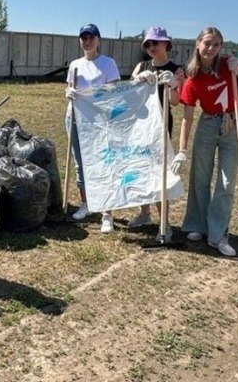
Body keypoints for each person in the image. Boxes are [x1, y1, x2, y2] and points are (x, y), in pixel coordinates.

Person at [173, 27, 238, 257]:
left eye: (216, 44)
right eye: (207, 43)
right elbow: (187, 116)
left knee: (226, 183)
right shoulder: (193, 76)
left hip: (232, 122)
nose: (211, 48)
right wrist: (182, 149)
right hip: (207, 125)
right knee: (201, 178)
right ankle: (198, 225)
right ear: (198, 44)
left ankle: (218, 235)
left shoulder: (229, 64)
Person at [127, 27, 185, 241]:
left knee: (160, 174)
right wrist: (138, 79)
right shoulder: (141, 66)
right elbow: (129, 95)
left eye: (156, 43)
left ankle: (165, 223)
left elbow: (176, 102)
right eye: (148, 44)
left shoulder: (176, 69)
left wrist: (173, 85)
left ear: (166, 44)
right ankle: (144, 213)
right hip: (140, 126)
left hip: (161, 127)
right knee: (142, 170)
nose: (152, 47)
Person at [65, 23, 121, 233]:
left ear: (98, 40)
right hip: (75, 119)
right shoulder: (75, 65)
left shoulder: (108, 64)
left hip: (98, 122)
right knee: (81, 164)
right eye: (83, 38)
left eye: (91, 38)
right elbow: (70, 86)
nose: (87, 42)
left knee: (102, 164)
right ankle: (87, 203)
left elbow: (114, 92)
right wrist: (69, 92)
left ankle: (107, 212)